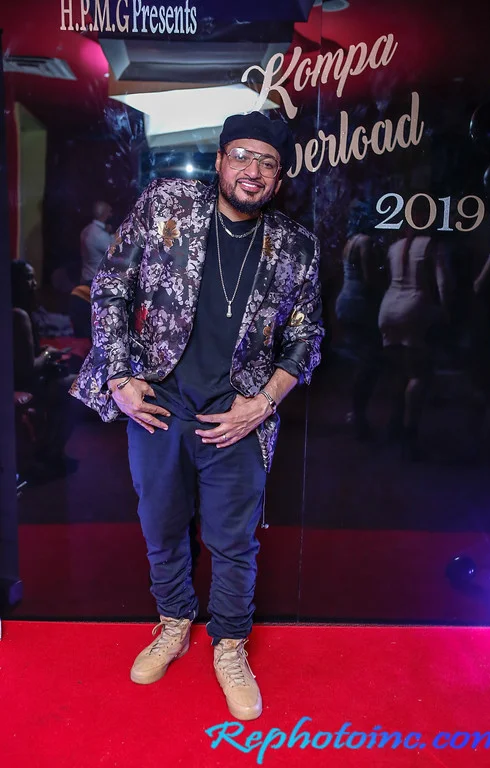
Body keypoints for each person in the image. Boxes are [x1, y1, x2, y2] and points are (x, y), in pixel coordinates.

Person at [70, 112, 324, 720]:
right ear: (219, 161)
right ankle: (173, 623)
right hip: (161, 402)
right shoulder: (168, 205)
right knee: (161, 525)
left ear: (279, 178)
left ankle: (230, 646)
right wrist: (119, 377)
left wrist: (263, 403)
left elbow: (307, 337)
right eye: (242, 156)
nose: (253, 171)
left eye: (268, 163)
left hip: (237, 412)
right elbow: (111, 286)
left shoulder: (295, 246)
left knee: (233, 541)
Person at [378, 229, 450, 459]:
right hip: (415, 308)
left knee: (398, 373)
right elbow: (442, 283)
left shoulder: (394, 246)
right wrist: (446, 312)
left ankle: (394, 425)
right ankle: (410, 435)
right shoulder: (432, 245)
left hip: (388, 308)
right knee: (418, 375)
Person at [11, 260, 78, 480]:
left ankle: (48, 449)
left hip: (22, 380)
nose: (34, 283)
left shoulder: (21, 312)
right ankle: (50, 452)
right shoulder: (18, 315)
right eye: (28, 278)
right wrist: (48, 355)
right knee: (78, 387)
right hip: (24, 383)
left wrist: (42, 351)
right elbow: (28, 368)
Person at [335, 203, 385, 438]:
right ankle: (357, 414)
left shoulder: (351, 241)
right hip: (359, 303)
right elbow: (369, 277)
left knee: (362, 359)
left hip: (347, 300)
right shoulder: (365, 242)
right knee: (368, 361)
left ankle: (356, 412)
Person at [79, 201, 114, 285]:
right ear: (104, 214)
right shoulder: (100, 235)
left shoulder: (86, 230)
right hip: (96, 282)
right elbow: (116, 253)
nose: (111, 215)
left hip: (86, 277)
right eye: (109, 212)